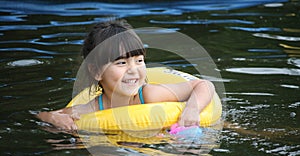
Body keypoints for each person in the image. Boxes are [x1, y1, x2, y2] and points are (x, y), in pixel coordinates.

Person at [37, 19, 215, 131]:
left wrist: (192, 108)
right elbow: (42, 115)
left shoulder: (148, 95)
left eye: (139, 61)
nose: (133, 69)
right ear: (96, 71)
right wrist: (53, 118)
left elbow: (203, 85)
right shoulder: (88, 110)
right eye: (121, 63)